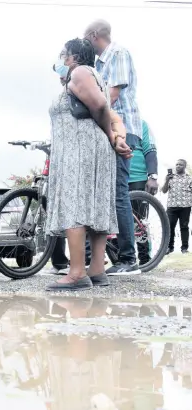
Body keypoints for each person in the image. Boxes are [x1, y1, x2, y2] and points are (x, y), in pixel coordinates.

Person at [46, 38, 132, 291]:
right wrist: (117, 137)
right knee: (95, 205)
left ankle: (76, 273)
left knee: (76, 204)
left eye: (64, 55)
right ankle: (96, 270)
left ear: (74, 56)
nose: (61, 60)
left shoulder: (81, 72)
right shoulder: (94, 77)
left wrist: (111, 136)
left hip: (81, 150)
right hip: (90, 149)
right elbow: (113, 116)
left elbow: (100, 106)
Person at [85, 19, 142, 276]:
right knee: (105, 193)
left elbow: (111, 95)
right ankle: (102, 257)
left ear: (95, 35)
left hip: (124, 129)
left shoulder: (117, 53)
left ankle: (129, 259)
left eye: (86, 38)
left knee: (118, 193)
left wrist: (88, 103)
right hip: (108, 132)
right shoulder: (96, 64)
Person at [126, 120, 159, 264]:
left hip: (137, 177)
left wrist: (152, 176)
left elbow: (150, 149)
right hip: (115, 177)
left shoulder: (141, 124)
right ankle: (123, 259)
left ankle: (145, 259)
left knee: (140, 222)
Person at [161, 159, 192, 254]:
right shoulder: (170, 177)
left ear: (185, 166)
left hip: (185, 206)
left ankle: (184, 248)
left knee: (184, 227)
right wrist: (167, 180)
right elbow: (164, 190)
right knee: (169, 227)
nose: (178, 166)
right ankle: (169, 247)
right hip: (172, 206)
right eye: (177, 164)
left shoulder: (189, 178)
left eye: (180, 165)